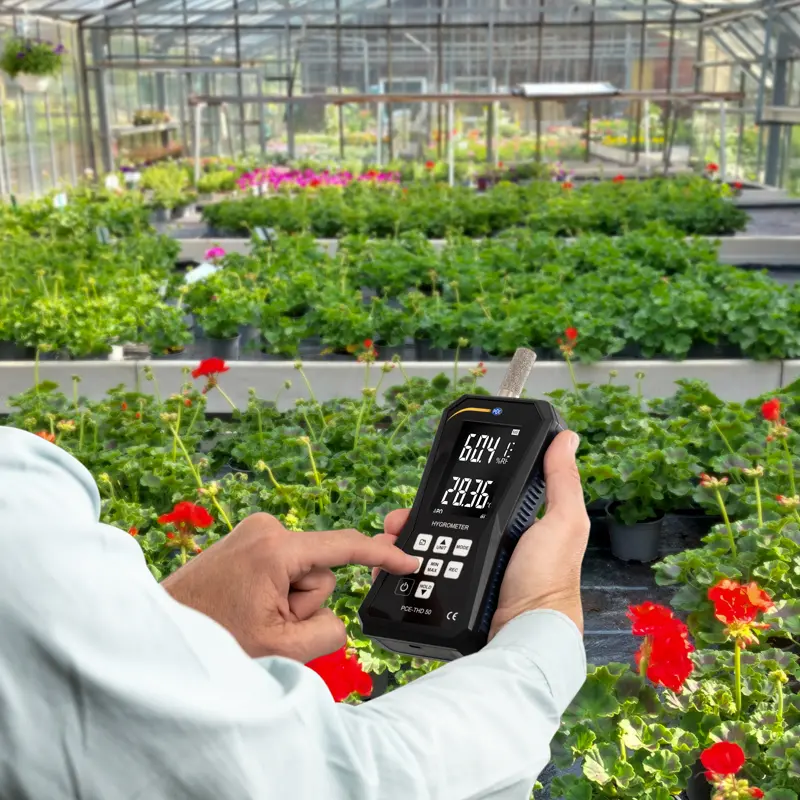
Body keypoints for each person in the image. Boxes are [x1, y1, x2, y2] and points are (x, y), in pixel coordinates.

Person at [0, 426, 589, 799]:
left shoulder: (25, 484)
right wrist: (539, 623)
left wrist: (174, 628)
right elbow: (330, 780)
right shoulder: (21, 487)